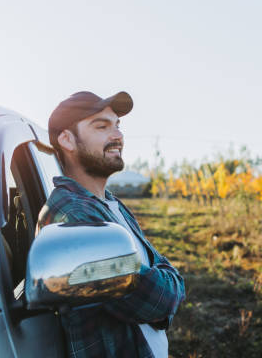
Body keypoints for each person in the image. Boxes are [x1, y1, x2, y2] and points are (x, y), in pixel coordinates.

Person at [38, 91, 185, 358]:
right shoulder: (72, 216)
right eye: (102, 126)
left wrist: (163, 277)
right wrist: (171, 280)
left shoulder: (109, 204)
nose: (117, 135)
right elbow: (154, 300)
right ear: (67, 139)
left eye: (117, 125)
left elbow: (154, 271)